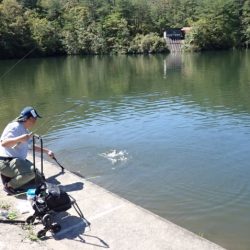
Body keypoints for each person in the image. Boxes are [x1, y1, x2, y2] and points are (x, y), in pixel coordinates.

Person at [0, 106, 55, 195]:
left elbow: (31, 146)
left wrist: (47, 151)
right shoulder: (14, 127)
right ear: (28, 118)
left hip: (15, 161)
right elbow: (4, 143)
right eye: (35, 118)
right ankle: (9, 186)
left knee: (39, 177)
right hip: (5, 162)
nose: (36, 121)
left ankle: (10, 177)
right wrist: (19, 139)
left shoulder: (24, 129)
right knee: (31, 172)